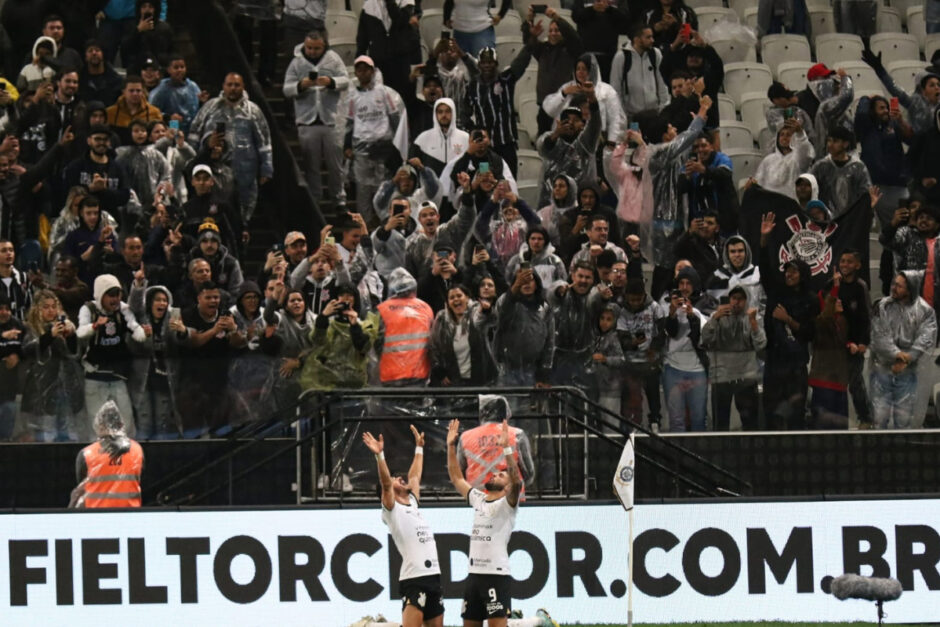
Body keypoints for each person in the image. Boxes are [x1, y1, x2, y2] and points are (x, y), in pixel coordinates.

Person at [362, 426, 444, 627]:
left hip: (434, 577)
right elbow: (386, 484)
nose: (401, 478)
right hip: (414, 579)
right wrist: (380, 456)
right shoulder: (392, 509)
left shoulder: (413, 503)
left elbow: (415, 476)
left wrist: (419, 448)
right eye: (394, 478)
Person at [446, 417, 521, 626]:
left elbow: (517, 481)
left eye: (501, 475)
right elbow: (456, 478)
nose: (496, 473)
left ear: (506, 487)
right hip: (473, 576)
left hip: (496, 575)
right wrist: (451, 446)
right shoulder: (478, 499)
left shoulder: (508, 504)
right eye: (496, 472)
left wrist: (507, 448)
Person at [759, 211, 819, 430]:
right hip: (774, 361)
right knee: (771, 412)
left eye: (793, 272)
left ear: (802, 275)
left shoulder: (811, 299)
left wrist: (788, 320)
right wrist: (764, 239)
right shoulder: (777, 292)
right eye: (787, 272)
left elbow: (810, 332)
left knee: (796, 414)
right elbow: (765, 268)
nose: (788, 275)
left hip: (796, 364)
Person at [187, 73, 273, 223]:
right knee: (216, 213)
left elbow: (264, 140)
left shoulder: (253, 111)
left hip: (245, 170)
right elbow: (194, 133)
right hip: (215, 171)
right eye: (229, 85)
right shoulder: (210, 107)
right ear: (223, 86)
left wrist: (266, 167)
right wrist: (191, 160)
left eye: (236, 85)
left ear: (243, 87)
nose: (233, 88)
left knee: (243, 214)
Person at [283, 30, 349, 207]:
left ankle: (339, 201)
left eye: (316, 48)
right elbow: (287, 89)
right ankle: (316, 199)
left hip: (330, 120)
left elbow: (346, 80)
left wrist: (331, 82)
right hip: (307, 120)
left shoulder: (333, 58)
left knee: (335, 165)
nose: (312, 51)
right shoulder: (296, 63)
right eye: (309, 48)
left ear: (324, 46)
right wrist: (301, 85)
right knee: (311, 165)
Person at [76, 273, 145, 440]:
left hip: (117, 376)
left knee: (126, 423)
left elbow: (135, 327)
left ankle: (127, 456)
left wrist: (141, 332)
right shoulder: (89, 309)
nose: (115, 299)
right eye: (111, 295)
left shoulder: (123, 309)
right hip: (95, 376)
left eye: (118, 294)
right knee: (97, 425)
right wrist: (94, 326)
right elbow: (80, 333)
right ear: (101, 295)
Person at [870, 272, 938, 429]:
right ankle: (880, 452)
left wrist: (908, 357)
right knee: (879, 419)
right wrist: (897, 355)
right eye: (894, 284)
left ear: (910, 289)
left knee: (904, 419)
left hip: (907, 372)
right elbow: (879, 335)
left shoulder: (924, 311)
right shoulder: (883, 306)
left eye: (899, 286)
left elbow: (926, 338)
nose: (893, 288)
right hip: (882, 371)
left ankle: (900, 452)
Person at [344, 55, 408, 222]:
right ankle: (363, 226)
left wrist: (398, 145)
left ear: (372, 71)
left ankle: (385, 223)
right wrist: (347, 146)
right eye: (359, 69)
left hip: (382, 147)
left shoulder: (385, 93)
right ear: (356, 73)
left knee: (383, 187)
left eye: (366, 69)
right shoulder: (353, 97)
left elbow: (395, 118)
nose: (363, 73)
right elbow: (350, 123)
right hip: (361, 150)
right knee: (363, 189)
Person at [128, 271, 185, 440]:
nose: (162, 303)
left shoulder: (173, 319)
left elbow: (179, 343)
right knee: (144, 424)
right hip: (143, 380)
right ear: (150, 303)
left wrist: (182, 332)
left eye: (164, 300)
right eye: (158, 300)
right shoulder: (140, 319)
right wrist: (138, 285)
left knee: (163, 423)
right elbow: (135, 305)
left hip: (165, 381)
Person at [701, 286, 765, 431]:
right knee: (720, 424)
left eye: (740, 299)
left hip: (746, 378)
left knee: (750, 424)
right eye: (733, 298)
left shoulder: (753, 318)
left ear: (746, 301)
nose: (736, 302)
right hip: (722, 377)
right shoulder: (718, 317)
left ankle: (750, 452)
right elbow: (705, 340)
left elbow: (761, 345)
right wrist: (714, 320)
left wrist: (754, 323)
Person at [461, 46, 531, 175]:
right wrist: (474, 130)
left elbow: (520, 64)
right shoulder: (472, 86)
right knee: (484, 178)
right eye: (484, 63)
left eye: (490, 62)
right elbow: (464, 113)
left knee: (509, 181)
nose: (487, 66)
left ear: (496, 64)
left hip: (506, 145)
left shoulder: (506, 80)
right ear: (479, 65)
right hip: (483, 149)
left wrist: (530, 42)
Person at [300, 285, 380, 391]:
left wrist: (354, 325)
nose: (345, 298)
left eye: (349, 295)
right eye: (341, 295)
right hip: (326, 384)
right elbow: (317, 340)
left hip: (353, 384)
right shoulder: (328, 324)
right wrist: (323, 317)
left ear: (355, 299)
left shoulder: (365, 324)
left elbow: (364, 347)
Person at [661, 267, 709, 432]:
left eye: (688, 283)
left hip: (697, 369)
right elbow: (671, 333)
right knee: (676, 421)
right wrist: (672, 313)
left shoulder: (699, 310)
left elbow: (701, 339)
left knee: (698, 420)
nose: (684, 287)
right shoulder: (666, 307)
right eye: (681, 283)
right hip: (673, 369)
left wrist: (691, 315)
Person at [523, 6, 584, 135]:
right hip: (544, 106)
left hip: (564, 105)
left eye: (557, 30)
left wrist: (556, 18)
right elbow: (528, 43)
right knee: (544, 142)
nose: (553, 33)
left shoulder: (571, 49)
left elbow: (574, 37)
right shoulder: (542, 50)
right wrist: (529, 21)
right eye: (550, 30)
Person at [71, 400, 143, 508]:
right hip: (129, 514)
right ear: (122, 425)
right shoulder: (137, 450)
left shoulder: (87, 453)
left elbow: (81, 487)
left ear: (100, 426)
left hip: (95, 515)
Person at [542, 53, 626, 143]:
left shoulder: (607, 91)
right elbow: (550, 110)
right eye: (578, 69)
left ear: (592, 71)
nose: (580, 72)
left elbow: (615, 119)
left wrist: (611, 142)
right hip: (566, 139)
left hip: (596, 140)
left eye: (584, 69)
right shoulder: (568, 88)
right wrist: (563, 94)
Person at [617, 278, 664, 431]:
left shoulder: (655, 308)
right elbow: (622, 337)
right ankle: (633, 423)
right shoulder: (622, 312)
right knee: (632, 396)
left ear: (644, 296)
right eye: (632, 300)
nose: (635, 303)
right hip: (631, 362)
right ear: (626, 297)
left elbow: (662, 332)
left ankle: (655, 420)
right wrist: (632, 344)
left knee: (653, 393)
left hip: (650, 361)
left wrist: (654, 348)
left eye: (638, 299)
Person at [494, 266, 554, 387]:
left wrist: (544, 372)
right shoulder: (505, 301)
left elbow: (549, 341)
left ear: (537, 283)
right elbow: (502, 316)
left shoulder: (544, 307)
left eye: (530, 279)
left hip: (533, 371)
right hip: (508, 370)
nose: (526, 283)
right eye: (522, 280)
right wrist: (515, 287)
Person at [536, 101, 602, 208]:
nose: (571, 123)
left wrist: (592, 99)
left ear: (583, 125)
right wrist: (556, 134)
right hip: (551, 202)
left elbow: (595, 124)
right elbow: (542, 148)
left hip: (581, 201)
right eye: (567, 120)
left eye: (576, 120)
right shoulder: (551, 138)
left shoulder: (586, 142)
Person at [430, 283, 498, 386]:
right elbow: (434, 346)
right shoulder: (442, 320)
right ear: (448, 302)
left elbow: (488, 319)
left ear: (467, 298)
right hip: (454, 381)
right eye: (452, 298)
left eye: (459, 296)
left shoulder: (476, 313)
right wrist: (439, 370)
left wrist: (486, 311)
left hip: (481, 379)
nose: (456, 299)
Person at [376, 268, 434, 386]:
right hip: (420, 373)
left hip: (390, 374)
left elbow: (376, 342)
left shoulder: (382, 309)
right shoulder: (425, 307)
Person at [356, 0, 422, 102]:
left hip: (400, 62)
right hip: (379, 62)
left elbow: (399, 20)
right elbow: (362, 38)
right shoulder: (368, 6)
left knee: (402, 100)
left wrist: (390, 2)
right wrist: (359, 60)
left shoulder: (406, 3)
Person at [808, 126, 872, 220]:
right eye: (829, 140)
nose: (830, 144)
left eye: (835, 141)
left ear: (845, 144)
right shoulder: (820, 166)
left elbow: (865, 194)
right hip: (826, 220)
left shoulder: (858, 167)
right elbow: (810, 189)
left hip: (851, 220)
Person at [681, 133, 738, 235]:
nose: (700, 150)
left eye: (704, 145)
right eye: (696, 147)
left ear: (711, 147)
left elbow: (725, 174)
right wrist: (687, 178)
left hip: (724, 220)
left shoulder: (722, 159)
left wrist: (703, 170)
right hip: (700, 221)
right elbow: (680, 189)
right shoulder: (690, 164)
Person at [610, 24, 670, 117]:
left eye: (652, 37)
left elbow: (662, 83)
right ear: (637, 39)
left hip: (654, 113)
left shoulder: (655, 54)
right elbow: (616, 89)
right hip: (632, 116)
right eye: (648, 37)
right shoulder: (621, 57)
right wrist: (622, 115)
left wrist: (663, 109)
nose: (652, 40)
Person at [752, 117, 815, 200]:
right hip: (769, 205)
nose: (784, 137)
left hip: (791, 205)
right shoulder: (768, 160)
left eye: (788, 135)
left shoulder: (797, 159)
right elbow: (759, 182)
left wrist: (800, 133)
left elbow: (805, 152)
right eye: (782, 135)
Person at [572, 0, 631, 82]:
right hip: (586, 53)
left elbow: (625, 17)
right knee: (584, 87)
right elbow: (576, 16)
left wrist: (608, 8)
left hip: (609, 55)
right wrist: (592, 9)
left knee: (606, 88)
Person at [147, 54, 207, 133]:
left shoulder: (193, 86)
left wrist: (202, 102)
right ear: (169, 70)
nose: (179, 70)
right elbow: (151, 112)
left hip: (192, 129)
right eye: (176, 67)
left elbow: (198, 111)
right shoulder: (161, 90)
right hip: (171, 127)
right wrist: (169, 117)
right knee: (175, 137)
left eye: (182, 67)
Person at [411, 97, 469, 177]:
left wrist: (484, 171)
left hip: (460, 186)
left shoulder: (465, 137)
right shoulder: (423, 138)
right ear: (435, 114)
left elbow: (482, 160)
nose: (444, 115)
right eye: (440, 112)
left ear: (453, 113)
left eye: (448, 111)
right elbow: (412, 167)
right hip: (431, 187)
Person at [705, 235, 764, 314]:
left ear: (747, 253)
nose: (737, 255)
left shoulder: (758, 275)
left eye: (740, 251)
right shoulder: (717, 277)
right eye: (733, 251)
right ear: (727, 254)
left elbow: (765, 303)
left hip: (754, 321)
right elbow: (708, 307)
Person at [105, 76, 163, 144]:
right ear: (124, 92)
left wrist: (174, 123)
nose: (135, 94)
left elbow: (164, 133)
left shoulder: (154, 112)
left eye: (138, 91)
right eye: (131, 91)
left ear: (143, 92)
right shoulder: (110, 112)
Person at [232, 0, 278, 87]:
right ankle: (243, 72)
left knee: (268, 37)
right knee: (244, 36)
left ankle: (266, 74)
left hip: (268, 5)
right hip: (243, 4)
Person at [0, 295, 25, 439]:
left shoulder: (18, 325)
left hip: (9, 390)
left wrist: (18, 357)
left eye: (7, 309)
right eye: (0, 309)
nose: (4, 312)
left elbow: (26, 350)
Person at [78, 39, 123, 105]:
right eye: (90, 51)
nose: (94, 53)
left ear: (103, 54)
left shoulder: (116, 81)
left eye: (97, 50)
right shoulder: (79, 80)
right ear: (85, 57)